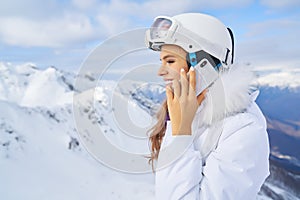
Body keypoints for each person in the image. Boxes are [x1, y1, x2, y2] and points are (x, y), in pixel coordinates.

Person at [145, 13, 270, 199]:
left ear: (203, 66)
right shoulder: (186, 115)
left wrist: (180, 135)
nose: (160, 71)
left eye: (170, 61)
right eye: (161, 61)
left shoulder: (244, 130)